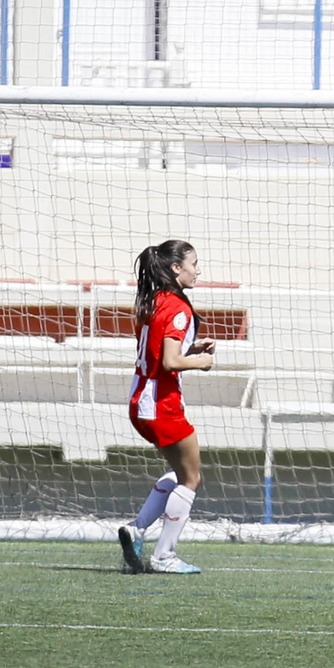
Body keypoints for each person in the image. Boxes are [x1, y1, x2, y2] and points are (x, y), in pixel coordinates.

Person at [117, 239, 215, 575]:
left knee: (179, 473)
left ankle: (137, 528)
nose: (197, 270)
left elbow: (159, 348)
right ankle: (164, 556)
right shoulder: (177, 307)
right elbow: (171, 361)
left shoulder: (153, 301)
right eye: (194, 263)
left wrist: (193, 344)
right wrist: (200, 361)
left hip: (140, 400)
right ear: (176, 268)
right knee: (191, 478)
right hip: (162, 404)